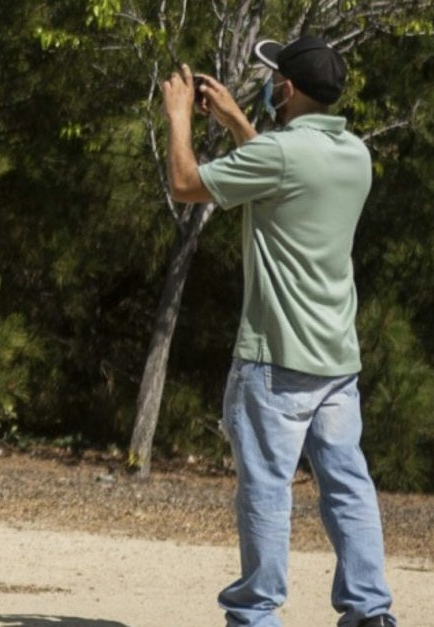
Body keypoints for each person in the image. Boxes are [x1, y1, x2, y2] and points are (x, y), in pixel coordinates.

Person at [161, 36, 397, 627]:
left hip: (274, 360)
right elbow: (283, 172)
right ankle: (370, 611)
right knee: (347, 485)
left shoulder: (282, 156)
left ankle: (256, 615)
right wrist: (242, 122)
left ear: (286, 90)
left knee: (266, 489)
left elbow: (186, 184)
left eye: (273, 79)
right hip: (337, 360)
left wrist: (179, 117)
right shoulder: (353, 155)